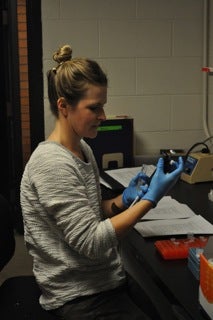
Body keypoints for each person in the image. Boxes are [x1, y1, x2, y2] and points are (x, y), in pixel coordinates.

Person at [20, 44, 184, 320]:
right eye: (94, 108)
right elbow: (92, 242)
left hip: (103, 281)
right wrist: (150, 199)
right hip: (77, 296)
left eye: (103, 106)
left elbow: (92, 214)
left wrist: (123, 201)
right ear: (64, 106)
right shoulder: (52, 163)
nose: (103, 117)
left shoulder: (82, 149)